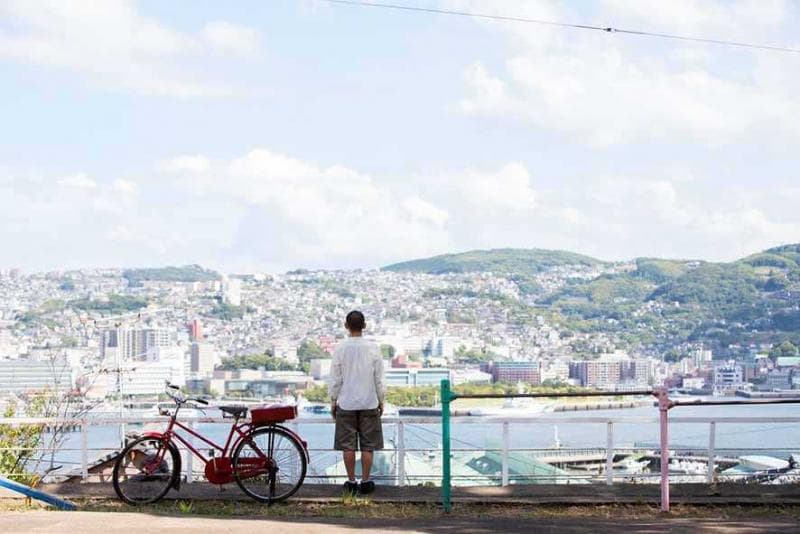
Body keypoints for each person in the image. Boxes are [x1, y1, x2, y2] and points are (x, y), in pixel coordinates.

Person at [328, 310, 386, 495]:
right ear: (364, 326)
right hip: (369, 402)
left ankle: (351, 481)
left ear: (346, 326)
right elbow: (379, 378)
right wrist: (381, 399)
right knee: (368, 446)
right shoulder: (373, 348)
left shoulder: (340, 348)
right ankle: (366, 481)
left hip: (346, 403)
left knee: (348, 446)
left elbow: (336, 378)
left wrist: (333, 399)